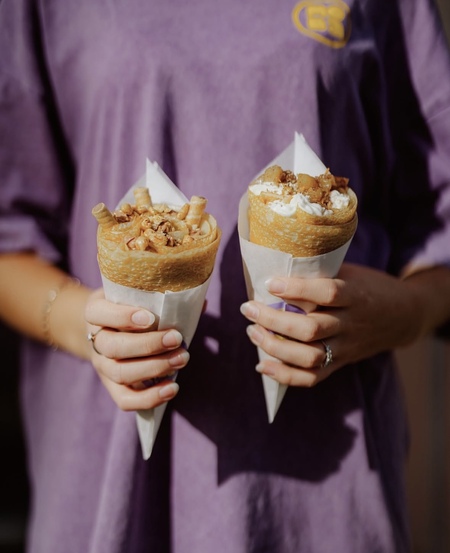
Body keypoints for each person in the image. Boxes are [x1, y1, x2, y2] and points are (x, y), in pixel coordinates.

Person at [1, 0, 450, 552]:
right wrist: (84, 326)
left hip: (328, 482)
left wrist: (405, 312)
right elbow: (9, 235)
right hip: (108, 472)